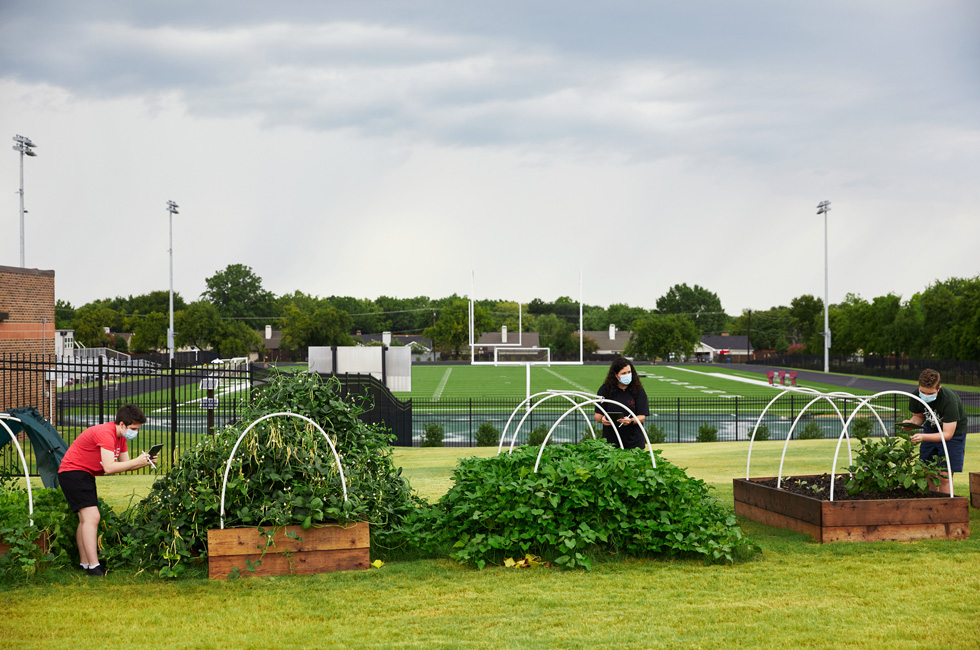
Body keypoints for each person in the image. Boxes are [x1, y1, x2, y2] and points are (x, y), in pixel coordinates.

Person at [57, 404, 157, 576]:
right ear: (122, 424)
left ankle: (85, 564)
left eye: (138, 429)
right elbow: (110, 468)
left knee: (85, 519)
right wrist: (136, 461)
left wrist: (143, 461)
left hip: (83, 474)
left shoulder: (121, 437)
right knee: (92, 517)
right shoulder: (106, 433)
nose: (136, 432)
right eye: (133, 428)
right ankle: (94, 567)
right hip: (73, 473)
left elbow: (124, 465)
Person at [902, 368, 968, 495]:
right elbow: (919, 416)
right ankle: (929, 506)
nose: (925, 396)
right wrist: (911, 424)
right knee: (926, 471)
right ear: (918, 386)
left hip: (953, 435)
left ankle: (946, 507)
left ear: (938, 388)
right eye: (923, 392)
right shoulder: (916, 395)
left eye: (930, 393)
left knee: (944, 475)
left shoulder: (949, 400)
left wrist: (923, 437)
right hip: (930, 430)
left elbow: (948, 434)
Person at [594, 357, 649, 450]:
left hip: (634, 442)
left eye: (629, 372)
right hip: (611, 442)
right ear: (616, 375)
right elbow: (597, 415)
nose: (627, 375)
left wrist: (631, 421)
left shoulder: (638, 390)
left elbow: (642, 417)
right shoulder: (605, 390)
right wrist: (602, 419)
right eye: (623, 373)